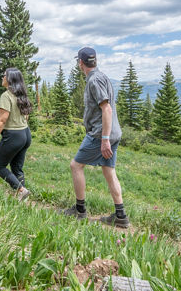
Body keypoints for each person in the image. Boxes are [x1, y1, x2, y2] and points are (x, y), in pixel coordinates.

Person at [63, 47, 129, 228]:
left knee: (76, 166)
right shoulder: (102, 76)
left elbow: (106, 108)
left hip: (100, 134)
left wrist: (104, 139)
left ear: (81, 63)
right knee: (109, 170)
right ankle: (120, 215)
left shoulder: (94, 80)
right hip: (114, 133)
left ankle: (80, 210)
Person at [0, 68, 32, 201]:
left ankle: (21, 190)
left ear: (10, 79)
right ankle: (22, 197)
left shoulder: (6, 96)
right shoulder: (21, 95)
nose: (2, 77)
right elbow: (26, 115)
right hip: (26, 133)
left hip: (13, 135)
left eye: (4, 75)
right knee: (17, 167)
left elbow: (1, 120)